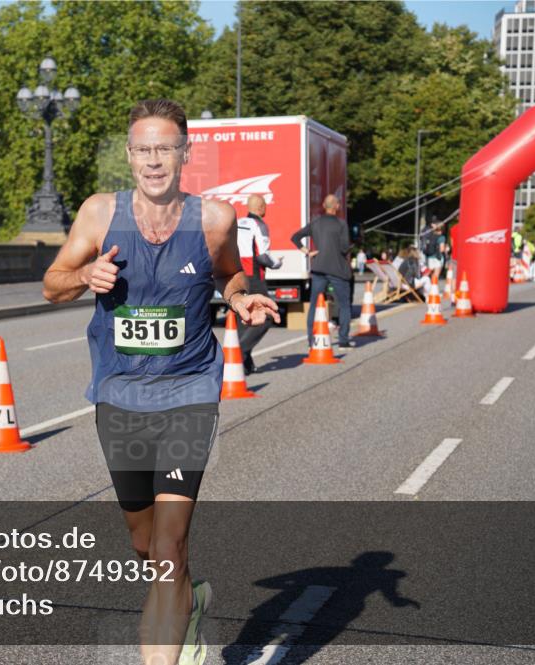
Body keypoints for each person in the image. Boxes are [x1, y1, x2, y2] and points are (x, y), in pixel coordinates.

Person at [42, 99, 278, 665]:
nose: (154, 161)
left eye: (165, 149)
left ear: (185, 153)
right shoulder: (100, 213)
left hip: (189, 393)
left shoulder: (214, 218)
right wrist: (83, 275)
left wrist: (241, 297)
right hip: (119, 396)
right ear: (129, 155)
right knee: (144, 544)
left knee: (169, 547)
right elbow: (51, 283)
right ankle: (189, 603)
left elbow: (229, 272)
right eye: (143, 149)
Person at [292, 194, 354, 350]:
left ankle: (311, 340)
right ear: (337, 206)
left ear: (324, 205)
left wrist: (308, 252)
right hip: (338, 269)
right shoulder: (341, 224)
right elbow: (344, 248)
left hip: (318, 268)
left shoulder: (316, 223)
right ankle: (343, 340)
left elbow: (295, 237)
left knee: (314, 304)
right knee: (344, 304)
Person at [236, 194, 282, 374]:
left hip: (236, 275)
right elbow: (263, 256)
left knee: (244, 317)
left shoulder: (237, 222)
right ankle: (239, 353)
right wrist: (277, 263)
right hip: (253, 275)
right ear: (261, 207)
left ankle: (245, 365)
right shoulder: (259, 225)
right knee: (267, 315)